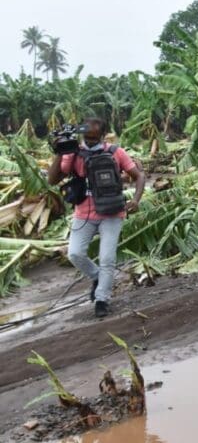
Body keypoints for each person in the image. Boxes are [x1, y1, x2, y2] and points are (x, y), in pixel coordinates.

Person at [46, 117, 145, 318]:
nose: (89, 141)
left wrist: (135, 200)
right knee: (75, 253)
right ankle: (97, 277)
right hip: (83, 213)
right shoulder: (74, 153)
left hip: (112, 212)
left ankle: (102, 300)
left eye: (93, 137)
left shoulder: (116, 152)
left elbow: (139, 175)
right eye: (86, 137)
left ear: (102, 135)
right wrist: (61, 151)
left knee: (108, 259)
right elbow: (52, 179)